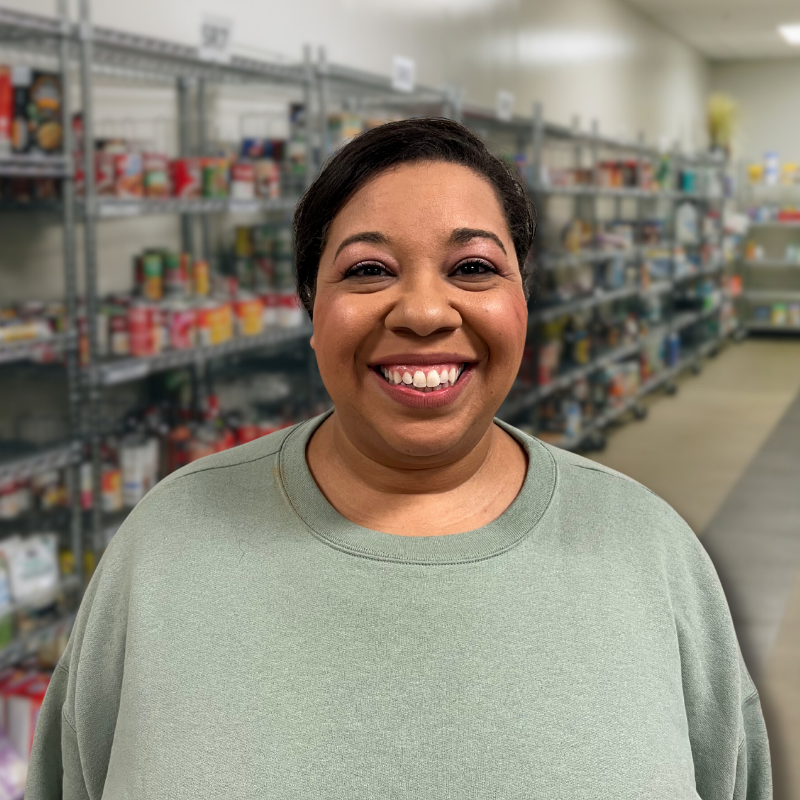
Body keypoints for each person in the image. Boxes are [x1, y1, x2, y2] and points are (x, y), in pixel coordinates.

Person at [26, 118, 771, 799]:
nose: (422, 311)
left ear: (523, 301)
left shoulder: (652, 552)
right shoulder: (165, 546)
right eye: (367, 270)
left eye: (474, 267)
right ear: (311, 311)